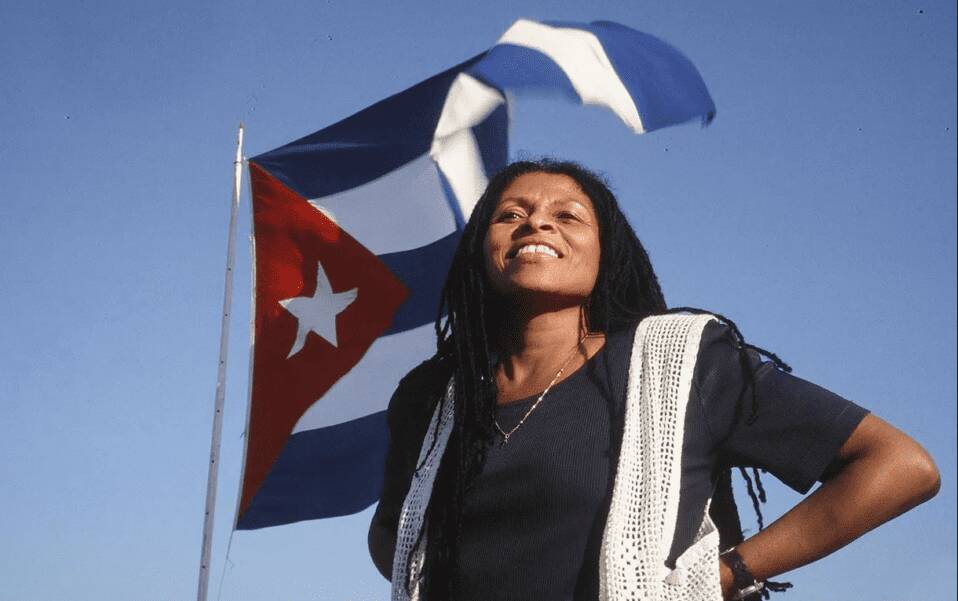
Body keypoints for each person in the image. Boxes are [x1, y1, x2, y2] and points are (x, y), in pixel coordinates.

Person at [367, 159, 940, 601]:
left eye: (567, 215)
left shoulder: (681, 363)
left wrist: (726, 574)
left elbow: (899, 466)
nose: (536, 222)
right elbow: (392, 539)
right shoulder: (432, 397)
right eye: (509, 214)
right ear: (481, 251)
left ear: (605, 253)